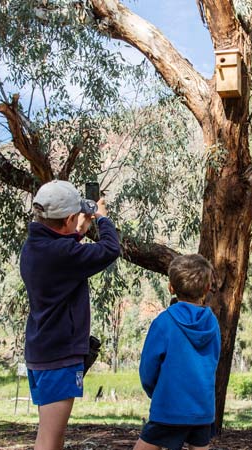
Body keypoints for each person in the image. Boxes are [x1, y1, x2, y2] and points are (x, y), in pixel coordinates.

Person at [20, 180, 120, 450]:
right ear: (68, 219)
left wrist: (77, 232)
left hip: (42, 350)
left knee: (51, 434)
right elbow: (110, 249)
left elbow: (63, 253)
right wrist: (103, 218)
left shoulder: (33, 247)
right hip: (59, 357)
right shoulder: (62, 253)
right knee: (50, 440)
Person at [134, 254, 221, 450]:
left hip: (169, 408)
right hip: (202, 410)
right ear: (207, 289)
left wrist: (156, 392)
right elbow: (213, 361)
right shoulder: (213, 323)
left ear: (171, 288)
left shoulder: (164, 322)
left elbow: (148, 369)